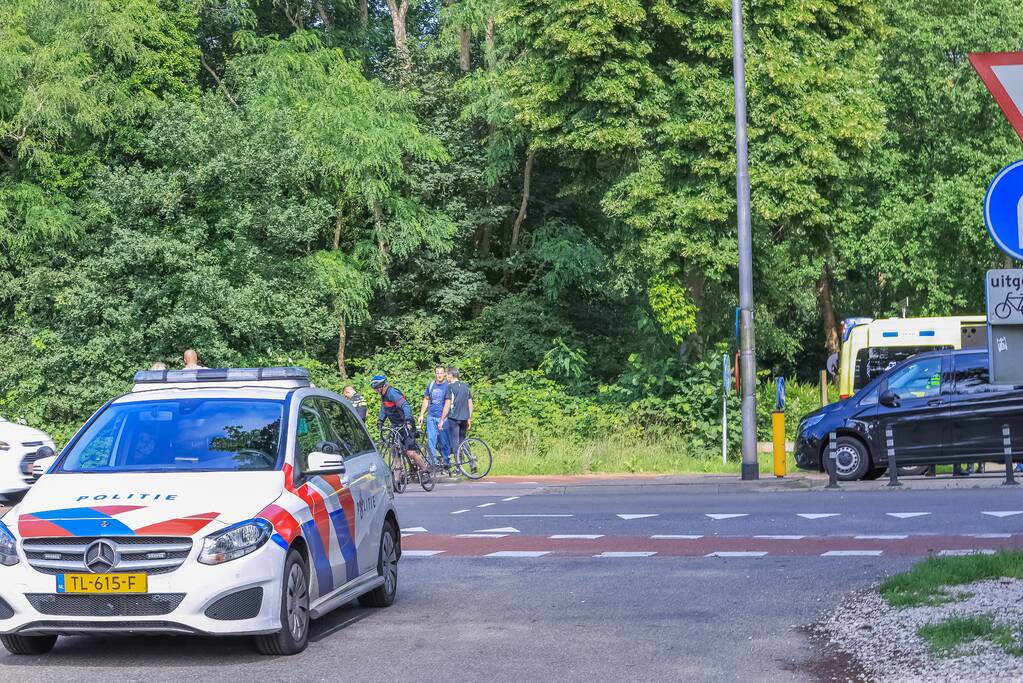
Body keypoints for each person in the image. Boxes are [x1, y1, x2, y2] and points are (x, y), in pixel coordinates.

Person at [371, 375, 429, 477]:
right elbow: (384, 409)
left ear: (382, 387)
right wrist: (380, 420)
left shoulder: (393, 393)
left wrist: (408, 421)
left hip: (406, 425)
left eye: (376, 389)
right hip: (395, 427)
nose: (376, 391)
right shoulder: (383, 396)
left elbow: (405, 406)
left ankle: (425, 471)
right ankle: (396, 481)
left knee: (411, 453)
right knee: (396, 453)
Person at [417, 366, 450, 468]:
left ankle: (446, 461)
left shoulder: (448, 386)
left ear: (444, 374)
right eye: (437, 373)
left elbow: (449, 403)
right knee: (431, 440)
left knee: (443, 441)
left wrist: (444, 418)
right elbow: (426, 400)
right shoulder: (431, 385)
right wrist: (422, 414)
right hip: (431, 417)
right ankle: (433, 463)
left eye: (441, 373)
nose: (439, 375)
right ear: (435, 374)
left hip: (443, 418)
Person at [438, 366, 473, 459]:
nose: (446, 377)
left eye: (447, 375)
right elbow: (470, 403)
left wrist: (441, 420)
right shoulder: (465, 387)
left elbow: (447, 405)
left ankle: (458, 467)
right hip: (464, 418)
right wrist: (469, 417)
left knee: (455, 442)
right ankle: (472, 462)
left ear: (451, 375)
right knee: (463, 440)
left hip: (454, 418)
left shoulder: (450, 387)